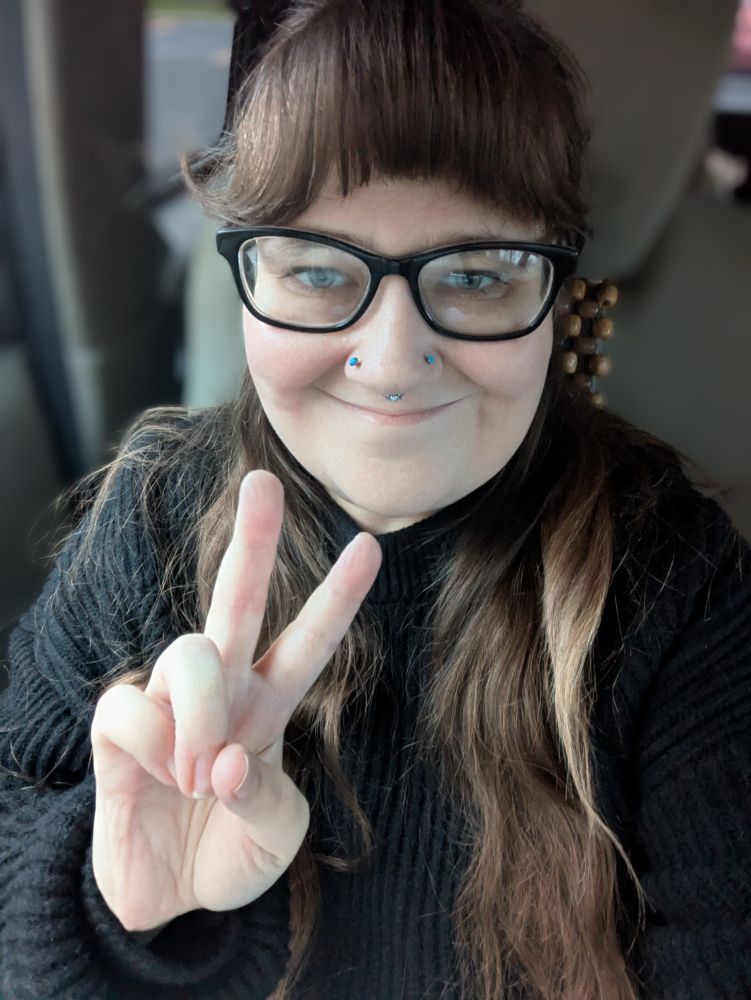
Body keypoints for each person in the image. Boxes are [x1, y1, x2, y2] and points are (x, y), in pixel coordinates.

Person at [1, 1, 749, 998]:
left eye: (477, 274)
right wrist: (118, 915)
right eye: (317, 270)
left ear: (555, 292)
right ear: (247, 274)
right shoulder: (148, 523)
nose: (393, 364)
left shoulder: (677, 579)